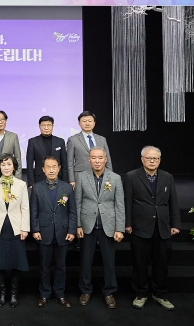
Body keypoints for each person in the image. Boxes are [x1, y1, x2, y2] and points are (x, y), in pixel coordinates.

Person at [124, 146, 180, 311]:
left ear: (159, 160)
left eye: (155, 158)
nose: (152, 161)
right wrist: (127, 223)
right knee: (140, 263)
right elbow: (127, 202)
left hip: (162, 227)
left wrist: (175, 224)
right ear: (142, 159)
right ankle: (141, 294)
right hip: (139, 227)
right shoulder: (131, 176)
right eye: (149, 158)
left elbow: (173, 201)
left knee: (162, 263)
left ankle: (159, 294)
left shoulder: (167, 177)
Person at [75, 147, 124, 309]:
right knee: (85, 261)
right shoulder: (82, 177)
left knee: (109, 262)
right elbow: (77, 202)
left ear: (105, 159)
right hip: (87, 226)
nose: (97, 161)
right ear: (89, 159)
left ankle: (109, 292)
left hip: (108, 226)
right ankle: (85, 290)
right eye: (94, 158)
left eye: (100, 158)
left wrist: (119, 228)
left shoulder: (115, 178)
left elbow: (119, 205)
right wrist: (78, 225)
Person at [30, 157, 77, 308]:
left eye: (54, 167)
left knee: (61, 266)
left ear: (59, 168)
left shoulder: (67, 188)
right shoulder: (36, 188)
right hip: (44, 232)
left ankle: (60, 294)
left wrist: (72, 230)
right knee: (44, 266)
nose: (51, 170)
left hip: (63, 232)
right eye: (48, 167)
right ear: (43, 169)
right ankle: (44, 295)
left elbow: (72, 211)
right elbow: (34, 212)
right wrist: (35, 229)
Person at [0, 153, 29, 308]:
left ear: (14, 166)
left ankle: (14, 294)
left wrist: (25, 228)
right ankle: (2, 293)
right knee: (0, 262)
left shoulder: (21, 185)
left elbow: (25, 208)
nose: (6, 167)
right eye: (3, 165)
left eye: (9, 164)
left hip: (16, 227)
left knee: (16, 262)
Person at [67, 111, 112, 189]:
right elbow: (69, 162)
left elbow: (107, 159)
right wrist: (72, 180)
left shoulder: (102, 139)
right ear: (79, 123)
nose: (87, 123)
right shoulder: (73, 140)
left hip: (100, 175)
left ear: (94, 123)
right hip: (80, 175)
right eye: (84, 121)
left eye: (90, 121)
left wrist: (110, 176)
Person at [26, 116, 68, 190]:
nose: (46, 128)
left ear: (52, 126)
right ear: (39, 126)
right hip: (39, 179)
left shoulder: (60, 141)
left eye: (49, 125)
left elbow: (64, 164)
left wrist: (65, 182)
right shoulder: (33, 142)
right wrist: (31, 182)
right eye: (43, 125)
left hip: (58, 179)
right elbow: (29, 164)